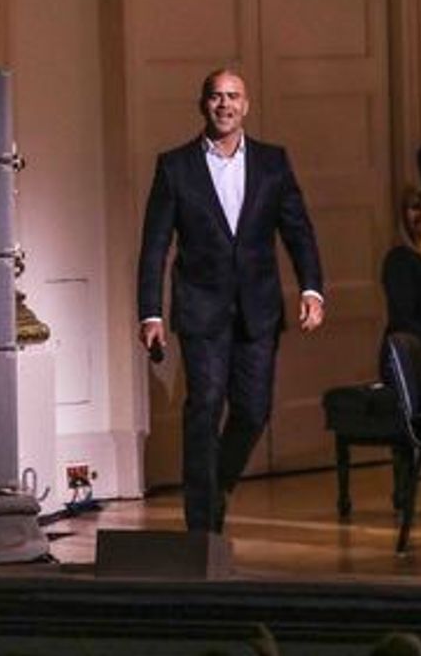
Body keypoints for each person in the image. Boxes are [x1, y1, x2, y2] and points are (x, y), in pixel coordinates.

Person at [137, 68, 326, 533]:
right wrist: (150, 312)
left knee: (253, 409)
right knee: (204, 403)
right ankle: (201, 523)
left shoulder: (273, 162)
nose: (225, 105)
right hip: (201, 308)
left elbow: (297, 230)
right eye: (216, 97)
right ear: (203, 104)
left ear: (247, 106)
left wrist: (311, 287)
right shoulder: (175, 166)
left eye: (233, 97)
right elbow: (155, 246)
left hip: (259, 308)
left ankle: (216, 482)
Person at [381, 186, 421, 350]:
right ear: (403, 215)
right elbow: (402, 318)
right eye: (416, 208)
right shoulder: (399, 260)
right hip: (416, 351)